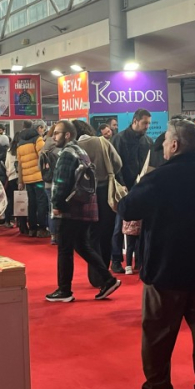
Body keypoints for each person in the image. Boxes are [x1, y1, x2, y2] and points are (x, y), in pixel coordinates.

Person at [118, 120, 195, 389]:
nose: (162, 146)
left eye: (165, 142)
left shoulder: (158, 178)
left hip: (164, 270)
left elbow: (128, 209)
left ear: (174, 145)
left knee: (157, 338)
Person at [46, 120, 121, 303]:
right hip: (83, 207)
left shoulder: (67, 153)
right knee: (83, 246)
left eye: (57, 133)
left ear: (67, 135)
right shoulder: (80, 151)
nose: (54, 136)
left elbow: (62, 182)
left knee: (65, 249)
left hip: (69, 209)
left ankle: (64, 290)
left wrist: (57, 203)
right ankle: (108, 279)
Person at [72, 120, 124, 286]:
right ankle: (105, 270)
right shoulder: (102, 142)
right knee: (106, 232)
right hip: (105, 191)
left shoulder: (73, 147)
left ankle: (95, 275)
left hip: (84, 194)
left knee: (90, 236)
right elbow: (118, 163)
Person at [110, 109, 152, 273]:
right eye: (144, 123)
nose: (147, 126)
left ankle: (140, 261)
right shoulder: (119, 139)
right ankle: (116, 260)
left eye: (148, 123)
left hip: (141, 189)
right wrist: (121, 185)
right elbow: (115, 165)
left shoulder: (148, 141)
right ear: (135, 121)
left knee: (141, 227)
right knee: (119, 226)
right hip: (123, 189)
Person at [16, 119, 50, 238]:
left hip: (27, 178)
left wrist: (21, 180)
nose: (43, 132)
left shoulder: (20, 142)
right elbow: (43, 156)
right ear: (39, 128)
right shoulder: (38, 139)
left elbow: (19, 163)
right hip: (38, 177)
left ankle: (32, 228)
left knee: (31, 203)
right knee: (41, 202)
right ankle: (41, 228)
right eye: (43, 129)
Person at [3, 132, 20, 228]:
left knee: (11, 200)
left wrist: (8, 173)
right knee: (20, 200)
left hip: (10, 177)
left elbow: (6, 164)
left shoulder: (9, 150)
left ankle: (7, 220)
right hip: (18, 177)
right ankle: (19, 221)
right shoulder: (20, 149)